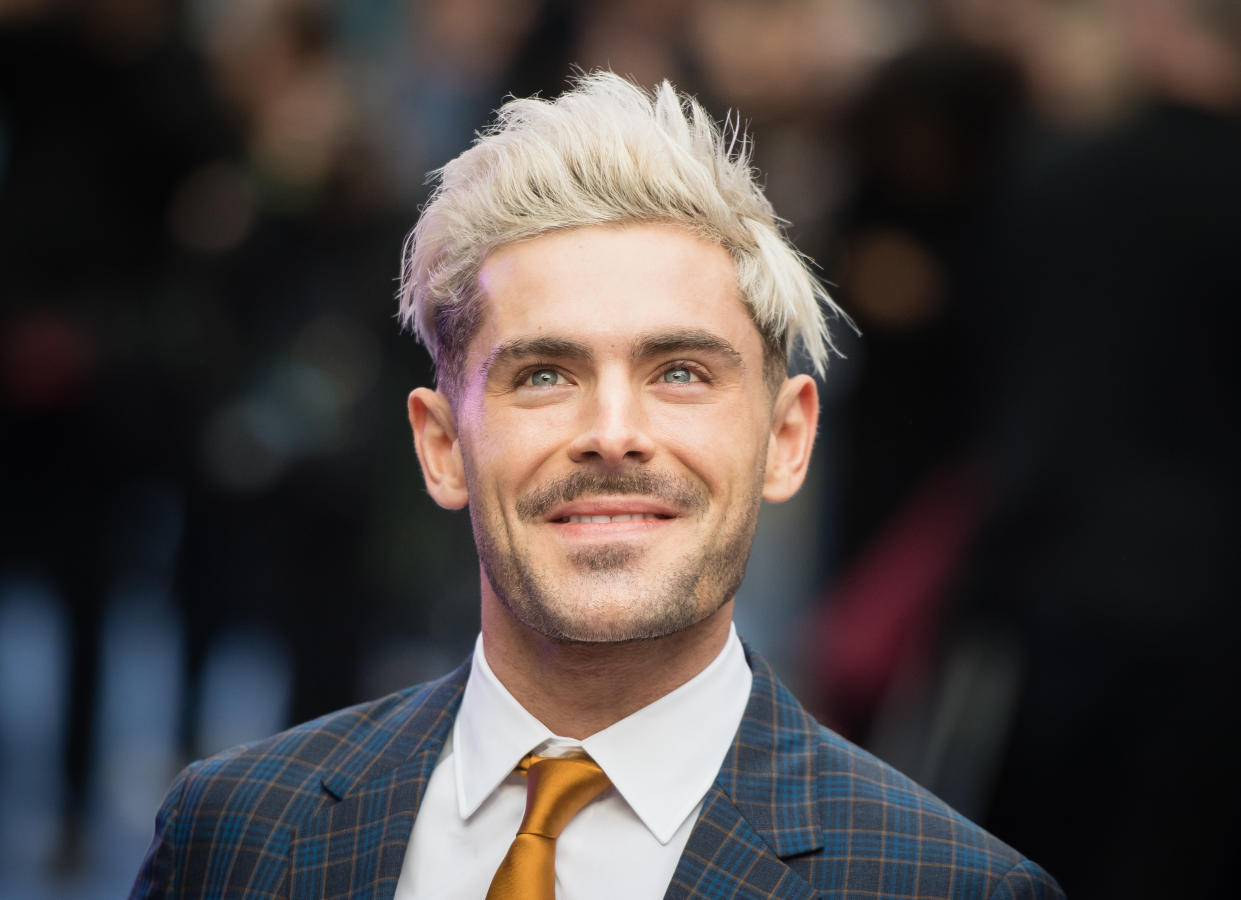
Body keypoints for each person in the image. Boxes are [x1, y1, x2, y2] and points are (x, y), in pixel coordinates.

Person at [129, 72, 1062, 900]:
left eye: (681, 373)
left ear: (786, 439)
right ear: (442, 445)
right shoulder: (235, 836)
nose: (613, 434)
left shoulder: (948, 887)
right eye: (543, 374)